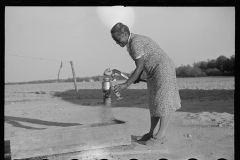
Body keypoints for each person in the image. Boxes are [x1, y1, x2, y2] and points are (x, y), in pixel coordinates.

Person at [111, 22, 181, 146]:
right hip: (153, 72)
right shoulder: (131, 43)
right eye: (115, 41)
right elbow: (141, 65)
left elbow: (139, 67)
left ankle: (160, 136)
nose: (117, 42)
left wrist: (127, 84)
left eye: (118, 39)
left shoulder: (135, 43)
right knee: (154, 102)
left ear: (125, 34)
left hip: (162, 69)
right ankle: (151, 133)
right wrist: (136, 77)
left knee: (163, 101)